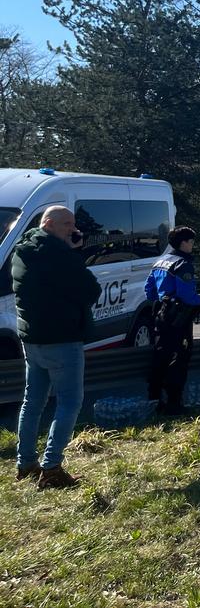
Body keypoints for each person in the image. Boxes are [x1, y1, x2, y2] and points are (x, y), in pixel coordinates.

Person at [13, 206, 101, 489]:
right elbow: (91, 290)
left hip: (32, 338)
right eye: (67, 224)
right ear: (49, 224)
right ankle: (51, 468)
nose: (73, 230)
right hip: (63, 339)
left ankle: (26, 462)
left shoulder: (22, 250)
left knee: (33, 402)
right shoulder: (58, 256)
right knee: (69, 403)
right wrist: (73, 254)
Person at [145, 226, 200, 415]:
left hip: (161, 314)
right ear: (184, 242)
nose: (193, 246)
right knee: (179, 359)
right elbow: (187, 294)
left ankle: (154, 400)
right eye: (192, 242)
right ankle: (174, 404)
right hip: (179, 316)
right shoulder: (182, 264)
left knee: (160, 355)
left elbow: (149, 290)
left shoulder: (160, 261)